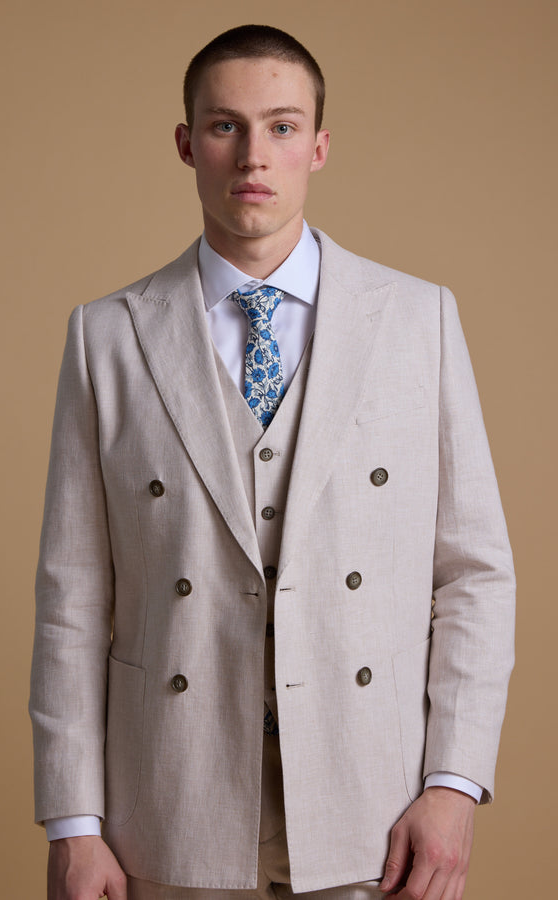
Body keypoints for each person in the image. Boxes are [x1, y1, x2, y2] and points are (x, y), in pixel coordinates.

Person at [29, 24, 516, 900]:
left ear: (318, 146)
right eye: (226, 126)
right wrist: (73, 825)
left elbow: (473, 573)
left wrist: (453, 785)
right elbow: (73, 597)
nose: (254, 155)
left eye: (282, 127)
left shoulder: (419, 320)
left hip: (375, 811)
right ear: (188, 144)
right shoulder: (108, 336)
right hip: (165, 812)